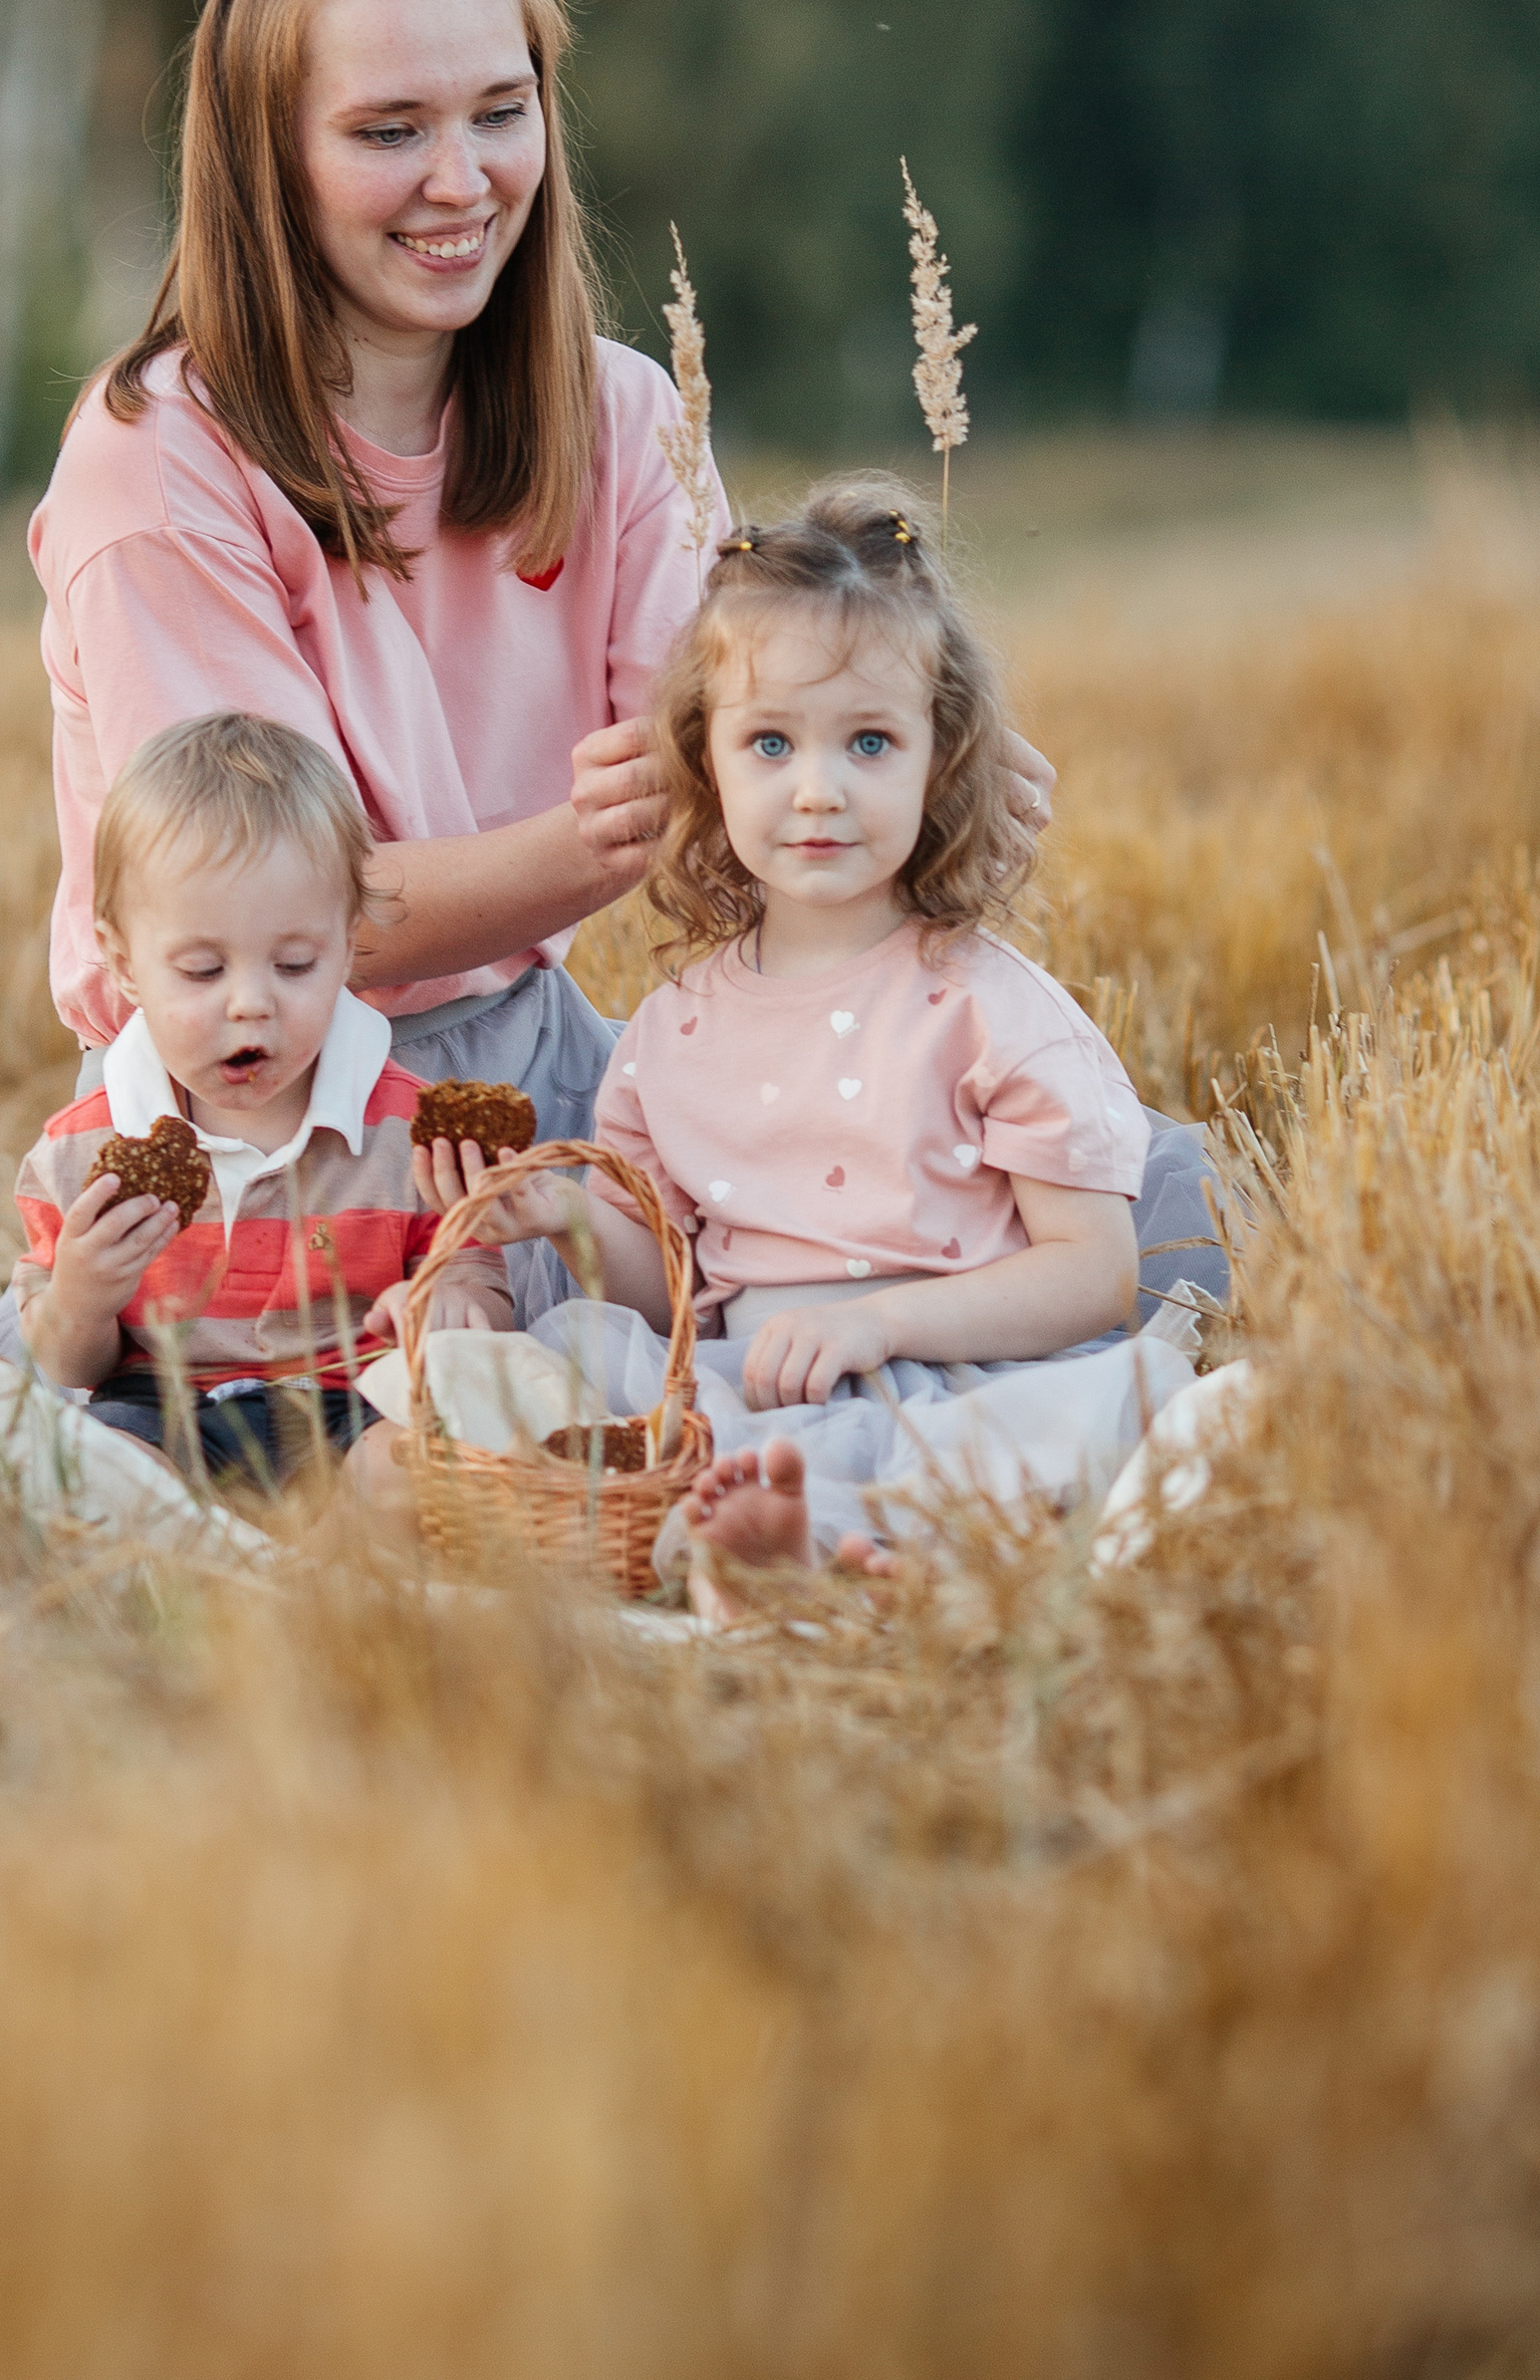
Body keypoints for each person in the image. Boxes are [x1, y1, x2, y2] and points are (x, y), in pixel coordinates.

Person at [24, 0, 1059, 1166]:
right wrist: (630, 823)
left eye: (500, 112)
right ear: (266, 162)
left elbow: (740, 770)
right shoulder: (155, 466)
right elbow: (281, 909)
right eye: (390, 131)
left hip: (532, 1045)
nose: (463, 181)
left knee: (1095, 1182)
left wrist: (903, 761)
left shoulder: (624, 416)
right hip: (245, 1106)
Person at [412, 478, 1196, 1571]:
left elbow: (1093, 1273)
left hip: (958, 1381)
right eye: (770, 744)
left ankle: (856, 1552)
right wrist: (569, 1222)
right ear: (704, 762)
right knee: (551, 1364)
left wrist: (879, 1326)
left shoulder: (986, 1007)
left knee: (1134, 1433)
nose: (818, 789)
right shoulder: (672, 1031)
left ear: (941, 758)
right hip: (754, 1389)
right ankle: (800, 1548)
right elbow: (664, 1284)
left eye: (868, 743)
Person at [0, 711, 509, 1489]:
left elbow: (479, 1280)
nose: (251, 1003)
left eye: (295, 964)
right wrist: (81, 1296)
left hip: (356, 1400)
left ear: (346, 945)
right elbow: (66, 1360)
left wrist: (457, 1304)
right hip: (160, 1406)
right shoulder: (81, 1151)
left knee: (416, 1469)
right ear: (125, 965)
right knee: (91, 1467)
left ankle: (323, 1573)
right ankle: (202, 1563)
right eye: (202, 971)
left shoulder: (408, 1126)